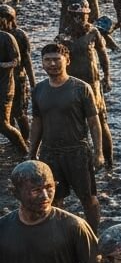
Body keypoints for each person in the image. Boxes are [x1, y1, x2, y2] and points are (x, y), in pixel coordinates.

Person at [29, 42, 106, 229]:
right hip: (50, 153)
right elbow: (37, 122)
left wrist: (98, 152)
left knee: (88, 198)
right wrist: (32, 152)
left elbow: (94, 123)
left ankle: (93, 237)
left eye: (56, 59)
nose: (52, 64)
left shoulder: (81, 88)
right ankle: (61, 236)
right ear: (42, 63)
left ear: (67, 60)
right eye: (47, 60)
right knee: (53, 199)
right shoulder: (38, 90)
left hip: (77, 151)